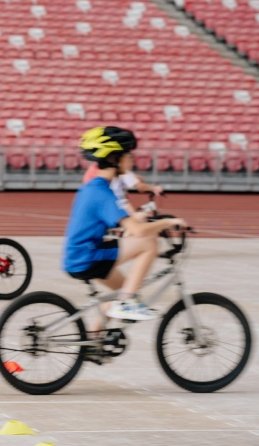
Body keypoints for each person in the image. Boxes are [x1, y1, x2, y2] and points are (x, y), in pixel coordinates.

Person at [63, 126, 187, 324]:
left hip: (80, 255)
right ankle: (127, 303)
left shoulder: (94, 187)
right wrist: (168, 222)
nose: (131, 159)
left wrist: (136, 219)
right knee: (149, 242)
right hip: (87, 257)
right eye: (128, 155)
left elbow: (120, 222)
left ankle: (94, 340)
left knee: (122, 291)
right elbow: (137, 231)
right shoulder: (102, 193)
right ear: (115, 159)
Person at [82, 161, 163, 214]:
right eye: (130, 160)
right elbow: (140, 187)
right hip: (119, 202)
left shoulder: (113, 170)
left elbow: (138, 180)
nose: (132, 163)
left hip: (107, 200)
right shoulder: (123, 172)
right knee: (136, 221)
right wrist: (154, 188)